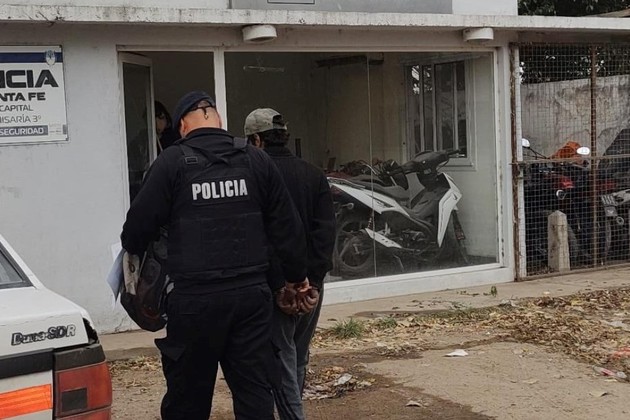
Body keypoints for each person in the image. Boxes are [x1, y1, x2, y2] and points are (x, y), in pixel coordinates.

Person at [121, 92, 309, 420]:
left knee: (188, 401)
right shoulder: (256, 159)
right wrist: (296, 278)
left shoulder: (171, 162)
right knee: (254, 395)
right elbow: (286, 228)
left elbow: (136, 229)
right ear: (218, 120)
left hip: (195, 301)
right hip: (251, 300)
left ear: (183, 125)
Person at [245, 108, 336, 420]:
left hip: (276, 287)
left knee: (282, 358)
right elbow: (326, 232)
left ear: (256, 140)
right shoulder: (313, 174)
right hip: (310, 288)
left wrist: (282, 285)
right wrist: (312, 282)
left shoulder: (255, 177)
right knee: (297, 356)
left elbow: (260, 235)